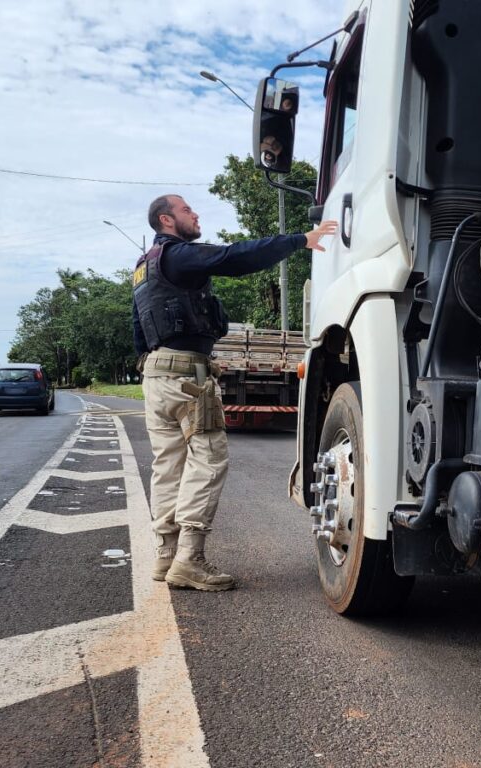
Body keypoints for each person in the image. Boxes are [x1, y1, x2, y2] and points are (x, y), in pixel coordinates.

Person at [133, 194, 337, 591]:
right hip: (187, 377)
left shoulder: (144, 268)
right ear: (166, 220)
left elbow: (138, 330)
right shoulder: (178, 255)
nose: (195, 214)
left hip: (157, 375)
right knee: (208, 460)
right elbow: (233, 257)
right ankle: (190, 560)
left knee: (167, 466)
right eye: (187, 210)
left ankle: (165, 556)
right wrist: (300, 239)